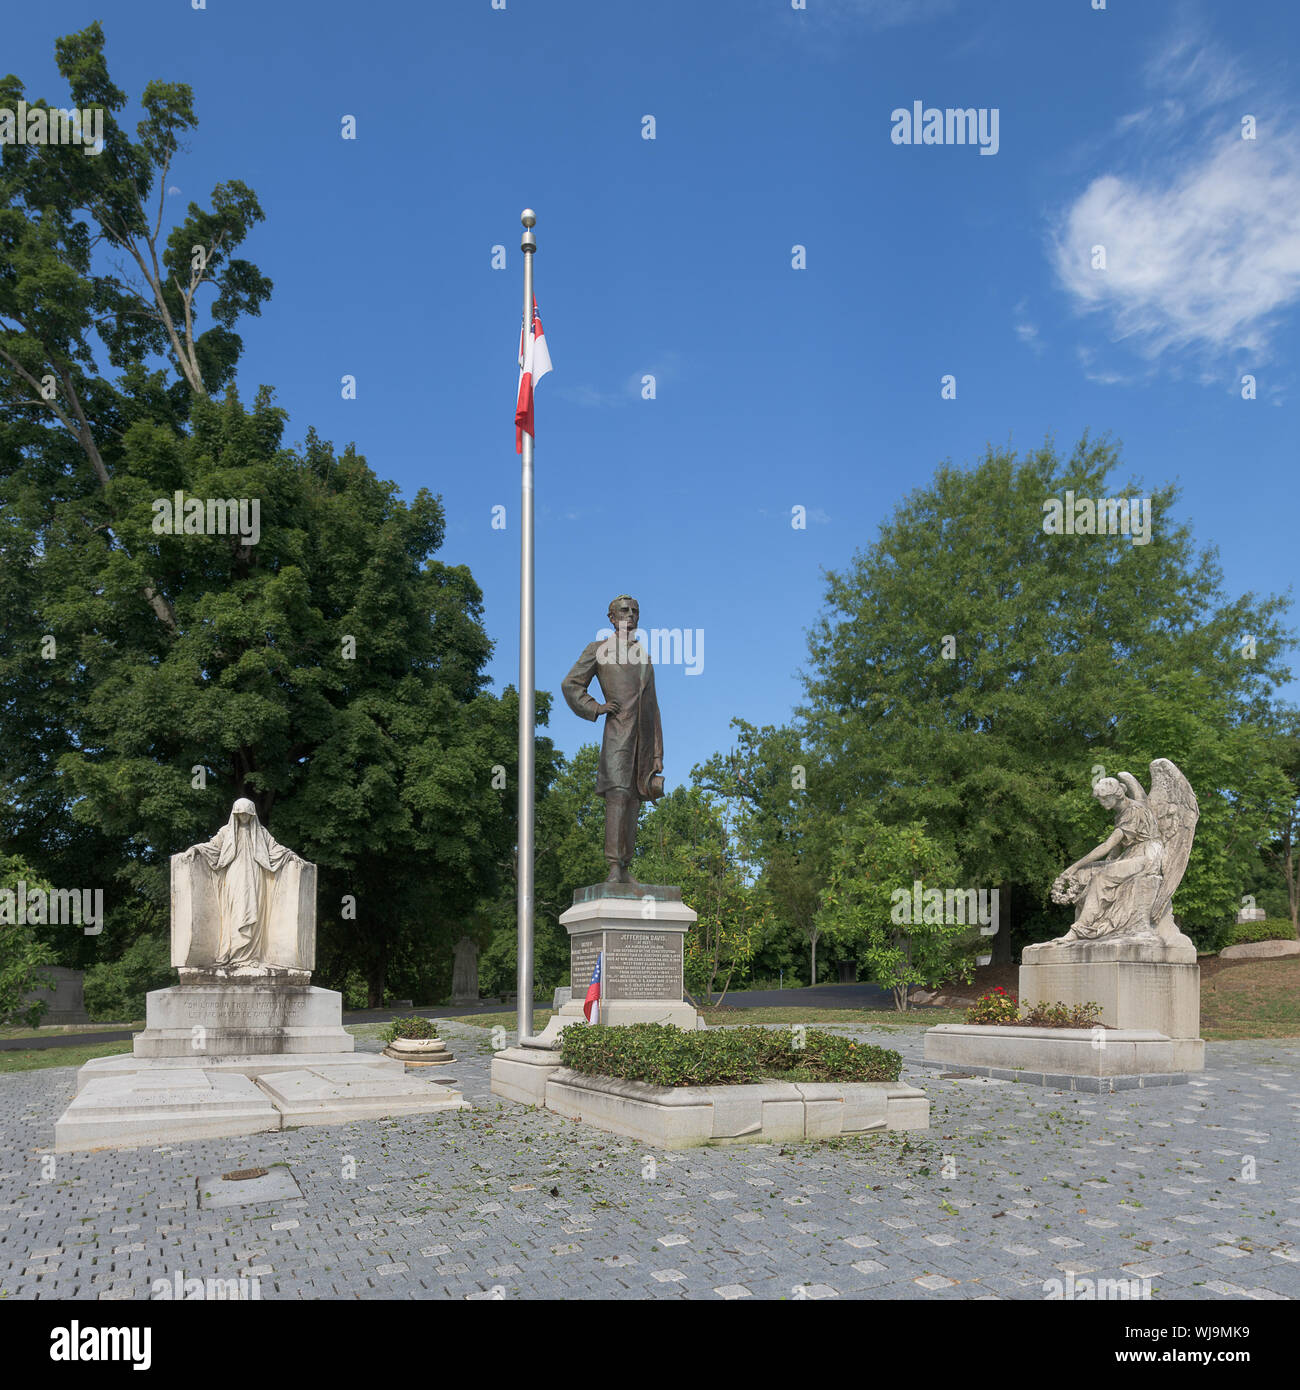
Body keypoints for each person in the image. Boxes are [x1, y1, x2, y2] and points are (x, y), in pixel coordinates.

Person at [562, 595, 665, 885]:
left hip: (642, 742)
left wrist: (657, 753)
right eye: (623, 610)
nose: (630, 615)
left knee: (634, 800)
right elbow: (571, 684)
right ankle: (613, 866)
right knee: (618, 797)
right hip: (618, 735)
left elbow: (654, 706)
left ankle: (626, 866)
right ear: (610, 618)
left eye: (635, 611)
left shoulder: (644, 657)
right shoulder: (599, 650)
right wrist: (596, 707)